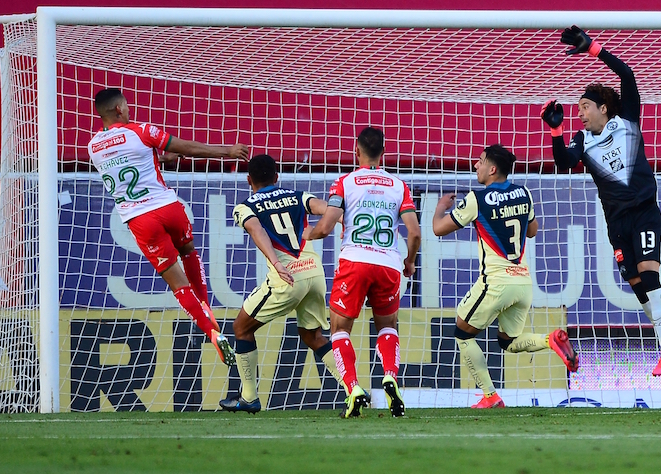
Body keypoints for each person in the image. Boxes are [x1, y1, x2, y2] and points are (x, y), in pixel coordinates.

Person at [540, 26, 661, 380]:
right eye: (578, 109)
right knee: (642, 292)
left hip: (644, 212)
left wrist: (592, 48)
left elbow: (626, 74)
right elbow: (563, 162)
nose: (580, 114)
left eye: (585, 107)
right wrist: (555, 131)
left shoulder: (627, 119)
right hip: (616, 224)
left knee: (650, 277)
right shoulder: (582, 140)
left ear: (602, 107)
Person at [87, 88, 248, 367]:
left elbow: (128, 163)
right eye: (126, 106)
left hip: (140, 219)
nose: (129, 110)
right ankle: (207, 308)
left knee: (177, 284)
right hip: (169, 208)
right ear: (118, 110)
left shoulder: (94, 147)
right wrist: (228, 151)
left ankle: (211, 331)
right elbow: (184, 147)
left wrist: (159, 160)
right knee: (188, 252)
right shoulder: (142, 131)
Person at [431, 144, 579, 409]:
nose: (475, 165)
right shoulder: (524, 193)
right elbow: (532, 230)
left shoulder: (477, 199)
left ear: (492, 168)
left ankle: (490, 396)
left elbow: (438, 229)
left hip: (497, 282)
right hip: (523, 282)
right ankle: (551, 339)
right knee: (507, 342)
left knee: (463, 334)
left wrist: (440, 207)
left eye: (479, 161)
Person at [305, 127, 420, 418]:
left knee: (339, 329)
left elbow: (327, 226)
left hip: (354, 262)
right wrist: (409, 262)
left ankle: (354, 387)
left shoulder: (345, 182)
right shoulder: (398, 185)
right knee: (387, 325)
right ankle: (391, 375)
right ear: (383, 153)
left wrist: (307, 234)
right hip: (389, 265)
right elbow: (415, 232)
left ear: (356, 151)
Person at [219, 154, 345, 413]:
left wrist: (277, 264)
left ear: (248, 180)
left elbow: (257, 230)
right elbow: (326, 208)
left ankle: (249, 397)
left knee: (241, 327)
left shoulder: (245, 207)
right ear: (277, 177)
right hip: (314, 274)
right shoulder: (298, 195)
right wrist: (341, 219)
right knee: (313, 336)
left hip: (287, 277)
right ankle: (352, 386)